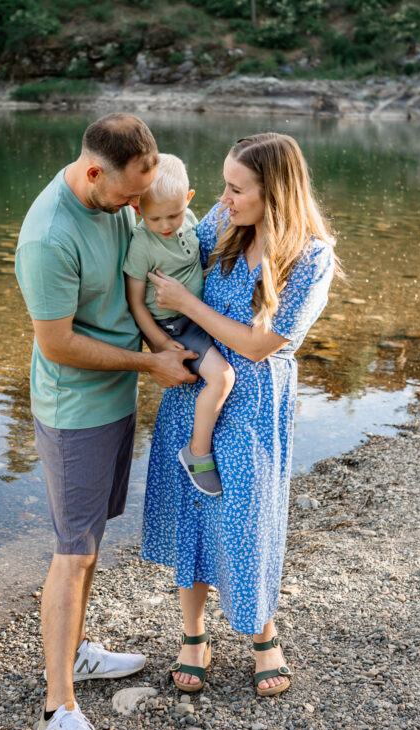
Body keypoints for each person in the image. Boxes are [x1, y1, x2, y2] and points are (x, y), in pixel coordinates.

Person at [14, 114, 197, 730]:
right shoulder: (49, 237)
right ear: (95, 173)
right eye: (127, 197)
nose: (136, 208)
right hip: (75, 412)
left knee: (90, 547)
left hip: (115, 398)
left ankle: (81, 652)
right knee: (72, 553)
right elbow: (59, 344)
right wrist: (151, 363)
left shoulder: (120, 193)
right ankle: (57, 706)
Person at [141, 133, 339, 697]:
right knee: (194, 515)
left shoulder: (310, 256)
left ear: (273, 193)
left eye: (235, 188)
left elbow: (259, 345)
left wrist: (188, 306)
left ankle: (262, 634)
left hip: (253, 404)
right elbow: (166, 246)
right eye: (224, 186)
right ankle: (193, 636)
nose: (223, 199)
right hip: (195, 390)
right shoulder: (221, 224)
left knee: (248, 520)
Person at [123, 153, 236, 497]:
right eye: (154, 217)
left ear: (188, 200)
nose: (166, 225)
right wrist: (158, 342)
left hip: (198, 313)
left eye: (173, 214)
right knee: (223, 376)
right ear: (139, 211)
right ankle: (197, 452)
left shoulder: (188, 218)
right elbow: (135, 302)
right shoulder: (142, 244)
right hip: (175, 326)